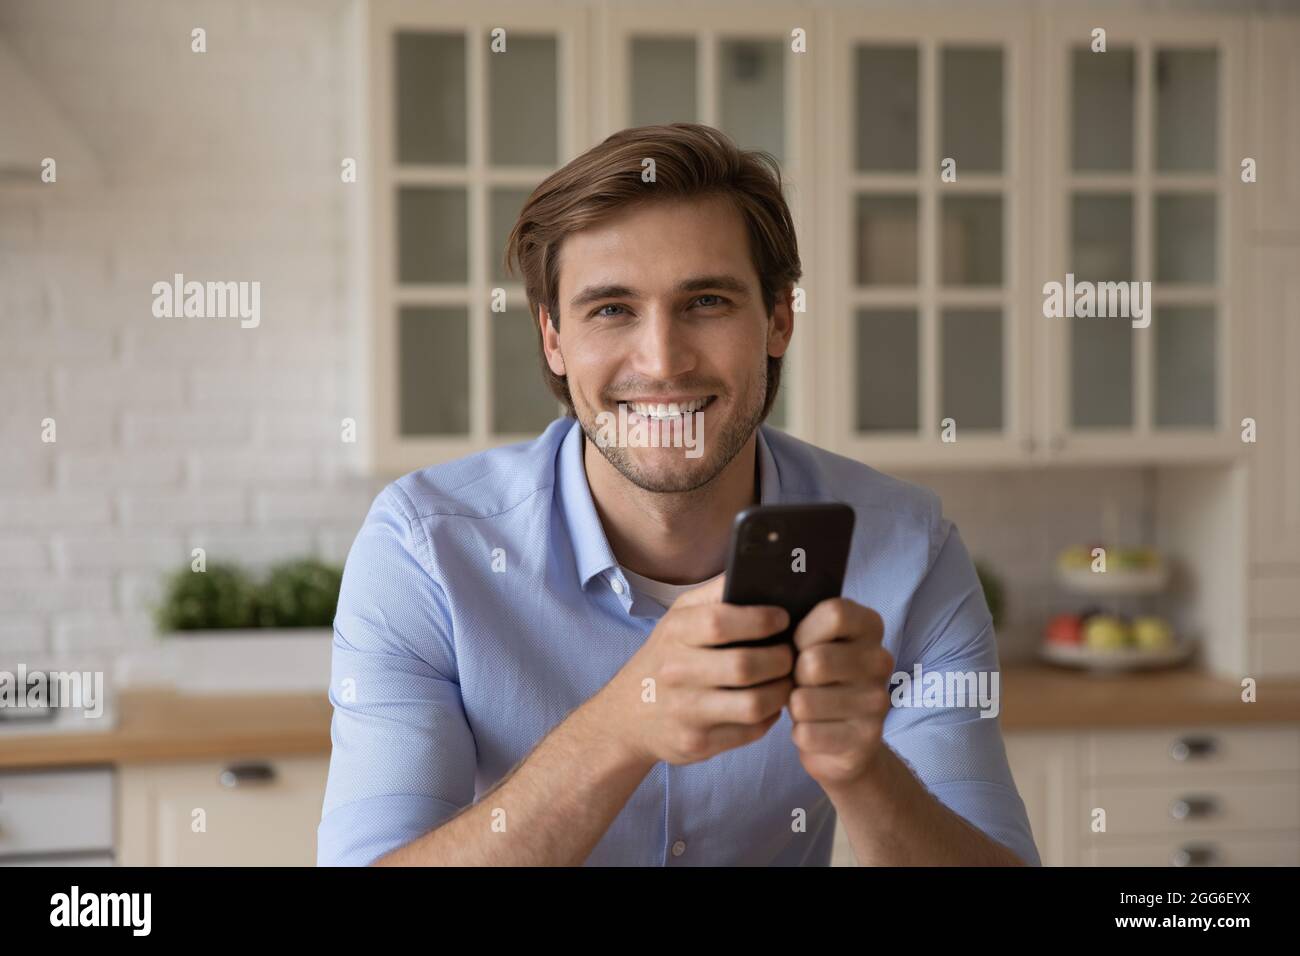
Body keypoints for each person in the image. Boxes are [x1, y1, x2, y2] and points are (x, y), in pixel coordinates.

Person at [317, 123, 1039, 867]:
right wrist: (621, 728)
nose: (662, 361)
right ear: (553, 339)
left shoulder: (908, 552)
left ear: (779, 319)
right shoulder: (425, 549)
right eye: (611, 309)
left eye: (705, 302)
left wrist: (863, 772)